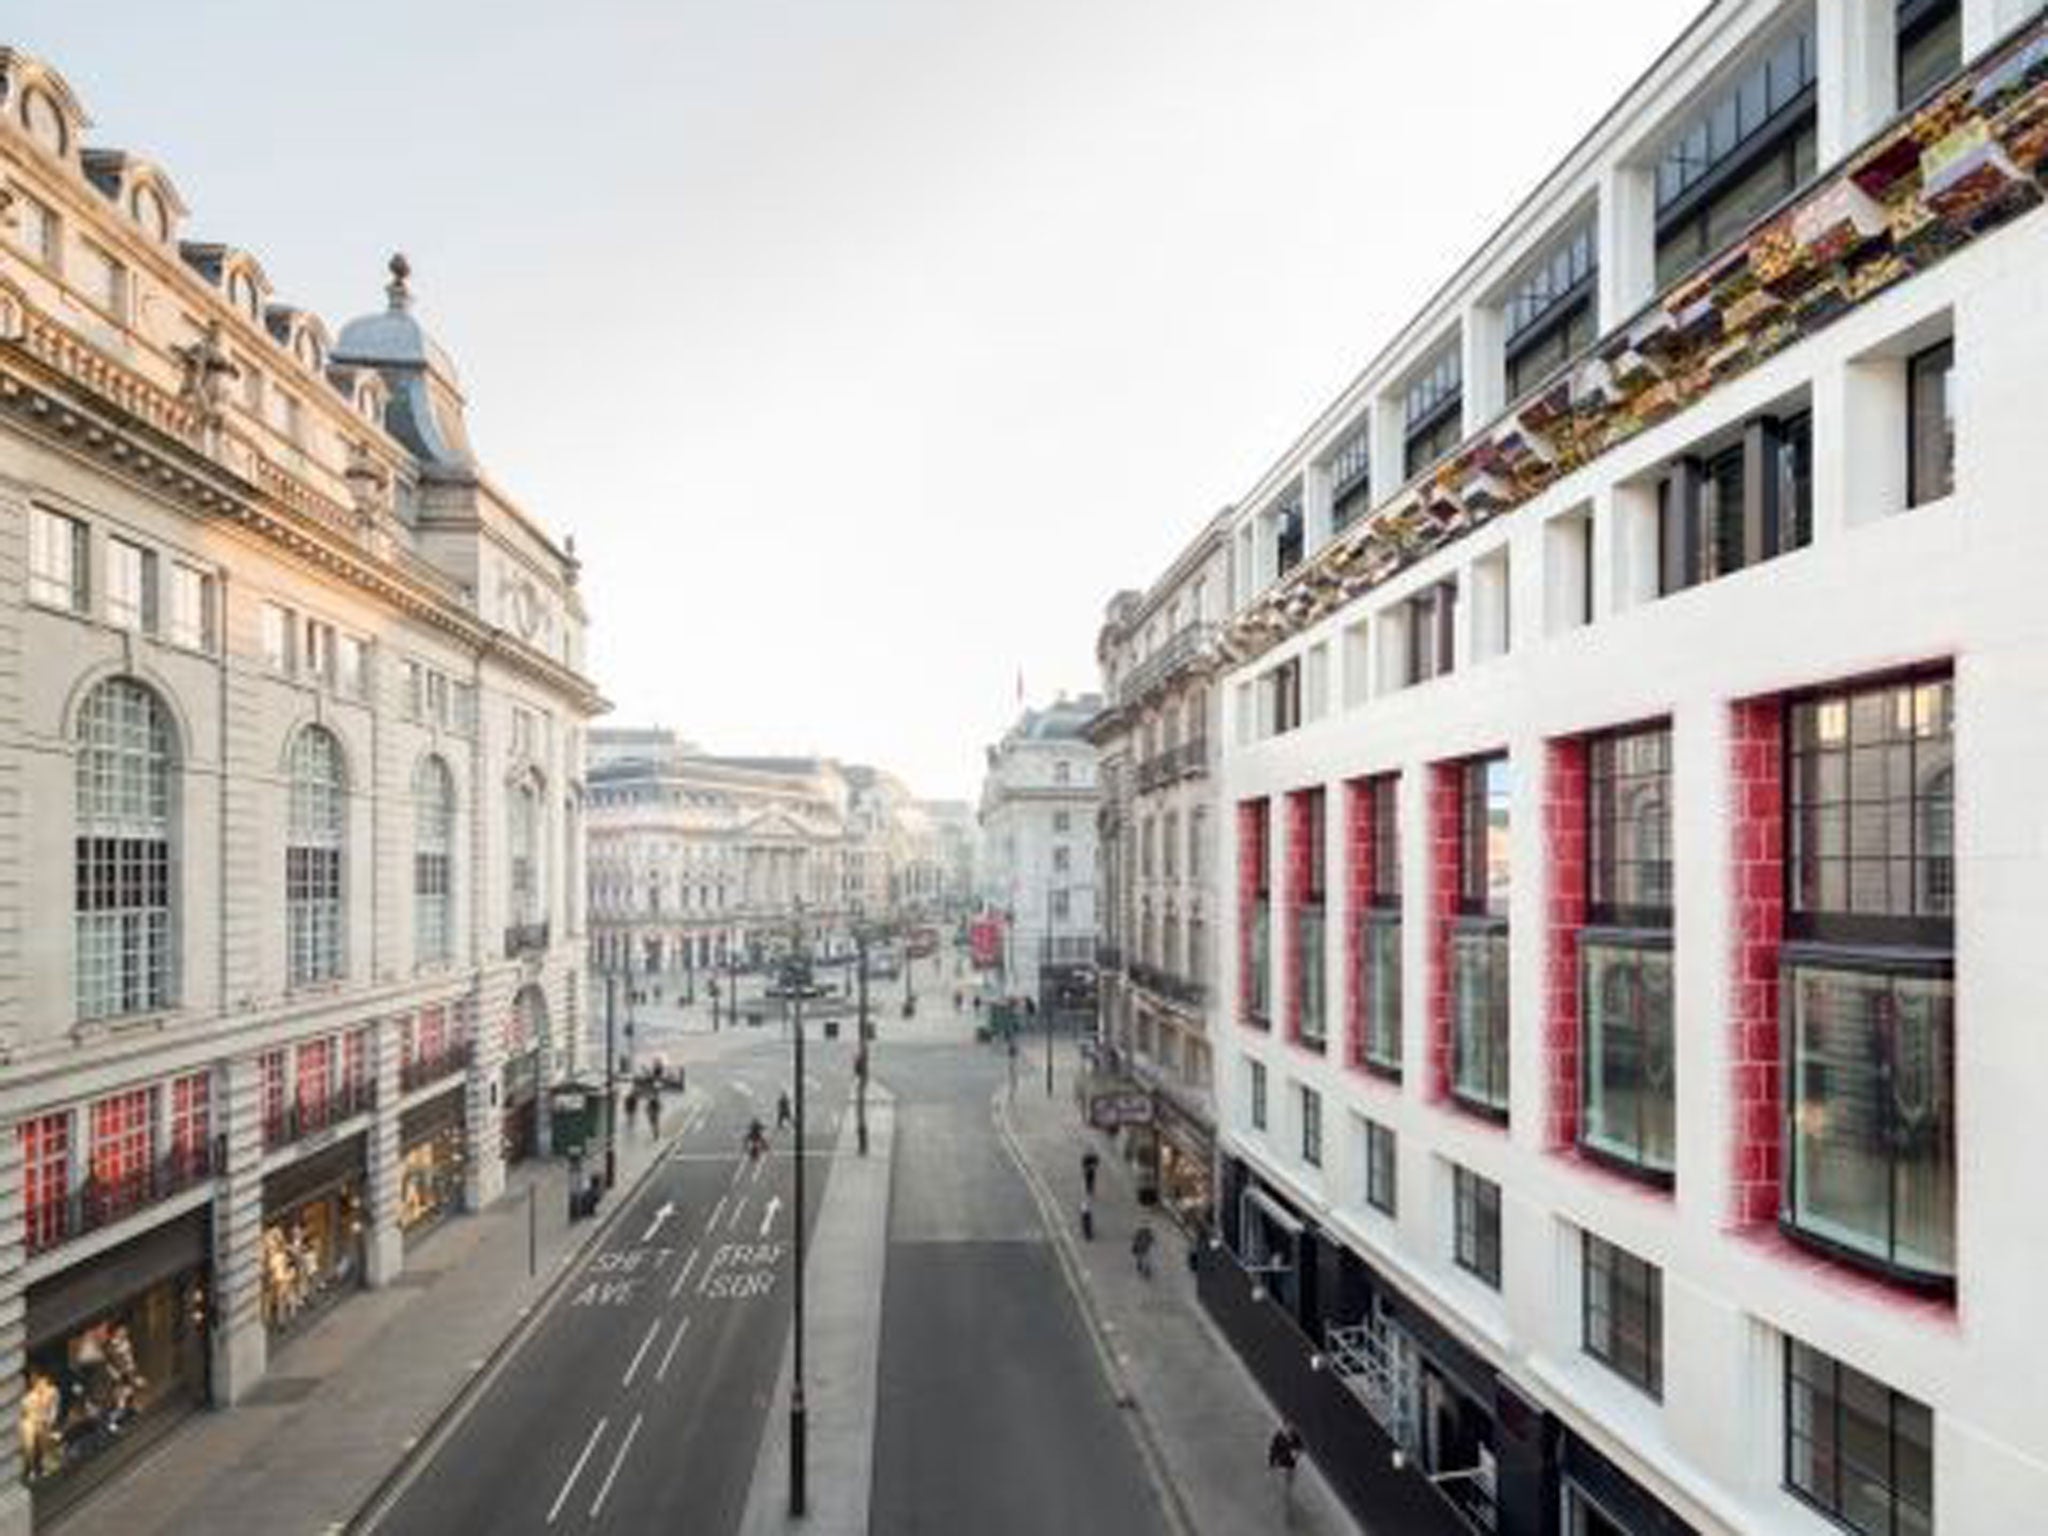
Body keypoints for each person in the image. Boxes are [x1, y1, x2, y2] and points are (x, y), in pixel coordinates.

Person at [1268, 1423, 1304, 1509]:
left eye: (1291, 1429)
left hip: (1289, 1464)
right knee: (1280, 1481)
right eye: (1288, 1428)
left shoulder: (1295, 1437)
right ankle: (1280, 1498)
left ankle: (1287, 1497)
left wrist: (1296, 1456)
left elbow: (1300, 1448)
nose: (1289, 1430)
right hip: (1281, 1463)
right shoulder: (1279, 1436)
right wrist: (1272, 1463)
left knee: (1288, 1483)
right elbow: (1273, 1449)